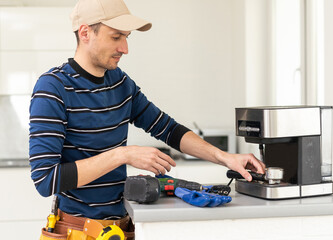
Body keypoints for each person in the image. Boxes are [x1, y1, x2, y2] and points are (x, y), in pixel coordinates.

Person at [29, 0, 265, 239]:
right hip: (76, 232)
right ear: (85, 32)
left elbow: (168, 129)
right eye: (116, 37)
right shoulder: (53, 88)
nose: (125, 48)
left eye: (127, 37)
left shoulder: (120, 83)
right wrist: (123, 154)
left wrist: (225, 158)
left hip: (123, 229)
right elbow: (46, 179)